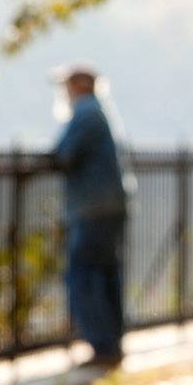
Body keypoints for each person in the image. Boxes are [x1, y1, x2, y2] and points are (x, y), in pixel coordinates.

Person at [51, 62, 129, 368]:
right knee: (105, 274)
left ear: (81, 85)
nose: (64, 93)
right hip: (106, 205)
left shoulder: (86, 114)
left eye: (68, 85)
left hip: (94, 208)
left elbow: (63, 155)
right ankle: (109, 344)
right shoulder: (98, 111)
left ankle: (102, 346)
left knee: (86, 276)